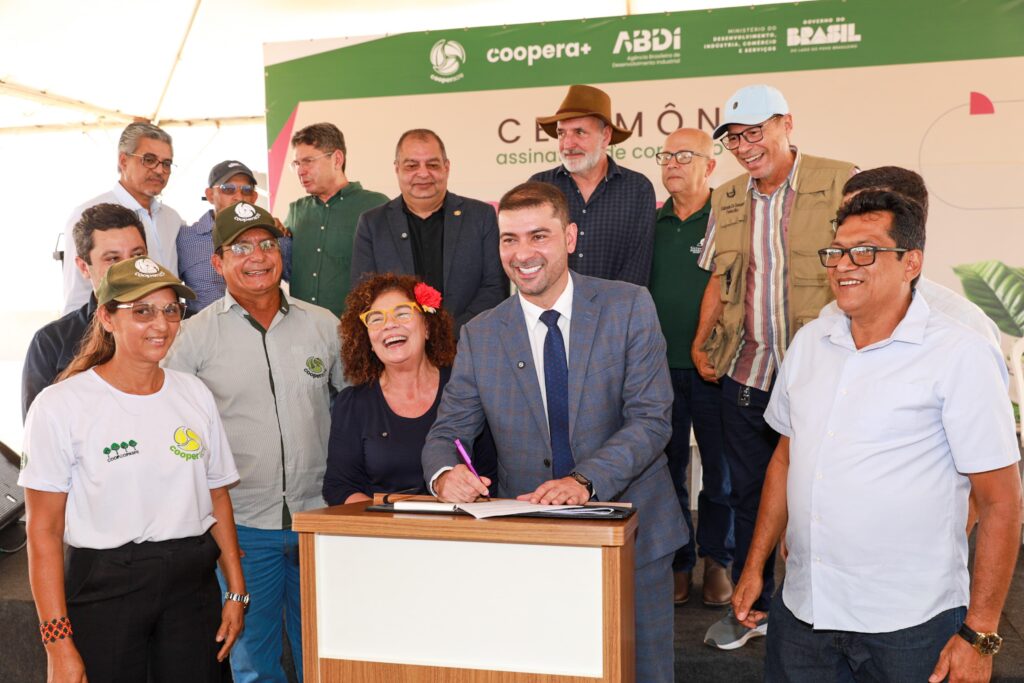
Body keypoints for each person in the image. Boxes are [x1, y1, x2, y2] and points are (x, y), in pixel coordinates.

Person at [732, 190, 1022, 682]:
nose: (844, 264)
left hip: (911, 624)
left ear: (911, 262)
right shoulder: (809, 344)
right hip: (805, 610)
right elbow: (785, 459)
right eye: (836, 251)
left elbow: (1002, 502)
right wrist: (754, 565)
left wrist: (980, 634)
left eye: (865, 251)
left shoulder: (960, 354)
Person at [422, 181, 685, 683]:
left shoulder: (629, 306)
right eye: (509, 239)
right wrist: (444, 474)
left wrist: (584, 480)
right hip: (531, 542)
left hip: (634, 533)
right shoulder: (480, 334)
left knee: (642, 671)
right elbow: (447, 431)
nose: (523, 254)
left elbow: (651, 419)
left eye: (538, 236)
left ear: (569, 237)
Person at [20, 256, 246, 682]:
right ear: (106, 317)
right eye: (141, 311)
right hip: (105, 588)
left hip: (191, 587)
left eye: (170, 310)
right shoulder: (60, 405)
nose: (160, 324)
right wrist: (57, 643)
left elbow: (217, 495)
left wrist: (235, 589)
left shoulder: (193, 393)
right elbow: (43, 532)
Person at [694, 84, 857, 650]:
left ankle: (833, 611)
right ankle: (755, 607)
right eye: (735, 136)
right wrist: (700, 340)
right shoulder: (728, 197)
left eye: (754, 131)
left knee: (828, 495)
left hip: (825, 373)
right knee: (747, 493)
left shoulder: (841, 181)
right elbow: (718, 275)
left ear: (787, 123)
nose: (744, 145)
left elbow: (872, 266)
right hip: (750, 370)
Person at [163, 200, 344, 683]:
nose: (257, 256)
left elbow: (356, 406)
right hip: (242, 529)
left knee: (327, 655)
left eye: (266, 243)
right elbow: (173, 436)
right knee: (254, 664)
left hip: (320, 522)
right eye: (240, 247)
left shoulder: (323, 324)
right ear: (217, 262)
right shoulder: (191, 338)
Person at [651, 128, 734, 606]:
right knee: (666, 470)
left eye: (685, 156)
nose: (672, 164)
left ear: (710, 165)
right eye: (666, 157)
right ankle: (679, 562)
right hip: (655, 370)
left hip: (714, 367)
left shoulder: (726, 219)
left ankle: (718, 561)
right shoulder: (652, 222)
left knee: (719, 472)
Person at [324, 274, 496, 504]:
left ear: (427, 326)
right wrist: (391, 527)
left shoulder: (466, 390)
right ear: (368, 341)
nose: (390, 324)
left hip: (460, 530)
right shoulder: (353, 404)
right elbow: (340, 487)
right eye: (375, 318)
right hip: (382, 533)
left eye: (402, 313)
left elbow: (491, 477)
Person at [824, 166, 1001, 348]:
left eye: (870, 213)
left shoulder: (964, 322)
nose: (851, 224)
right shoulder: (828, 319)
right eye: (844, 216)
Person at [351, 129, 507, 332]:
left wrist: (447, 333)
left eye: (432, 165)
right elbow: (364, 295)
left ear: (447, 167)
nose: (423, 173)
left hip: (468, 347)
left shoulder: (481, 216)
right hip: (399, 350)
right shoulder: (372, 224)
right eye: (412, 166)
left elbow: (495, 289)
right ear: (397, 169)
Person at [23, 203, 147, 420]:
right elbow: (38, 436)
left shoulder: (180, 328)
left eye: (137, 255)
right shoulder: (51, 343)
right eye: (113, 259)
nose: (128, 269)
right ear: (82, 267)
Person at [530, 85, 656, 286]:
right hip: (552, 313)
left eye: (579, 132)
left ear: (605, 136)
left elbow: (637, 268)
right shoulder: (540, 187)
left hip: (616, 313)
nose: (568, 144)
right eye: (561, 133)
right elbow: (531, 258)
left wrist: (610, 312)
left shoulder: (637, 189)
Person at [61, 122, 184, 313]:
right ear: (123, 161)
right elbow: (76, 298)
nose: (160, 170)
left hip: (167, 328)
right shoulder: (87, 215)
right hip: (111, 334)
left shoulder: (173, 218)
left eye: (166, 163)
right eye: (149, 160)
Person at [285, 122, 389, 315]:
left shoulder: (376, 206)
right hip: (304, 332)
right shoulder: (296, 211)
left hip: (357, 331)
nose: (300, 171)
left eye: (308, 161)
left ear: (337, 159)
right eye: (297, 164)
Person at [177, 160, 293, 314]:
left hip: (264, 331)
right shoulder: (184, 238)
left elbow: (295, 277)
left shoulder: (274, 235)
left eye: (246, 190)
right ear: (210, 195)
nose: (238, 196)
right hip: (207, 334)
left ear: (255, 197)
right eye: (228, 189)